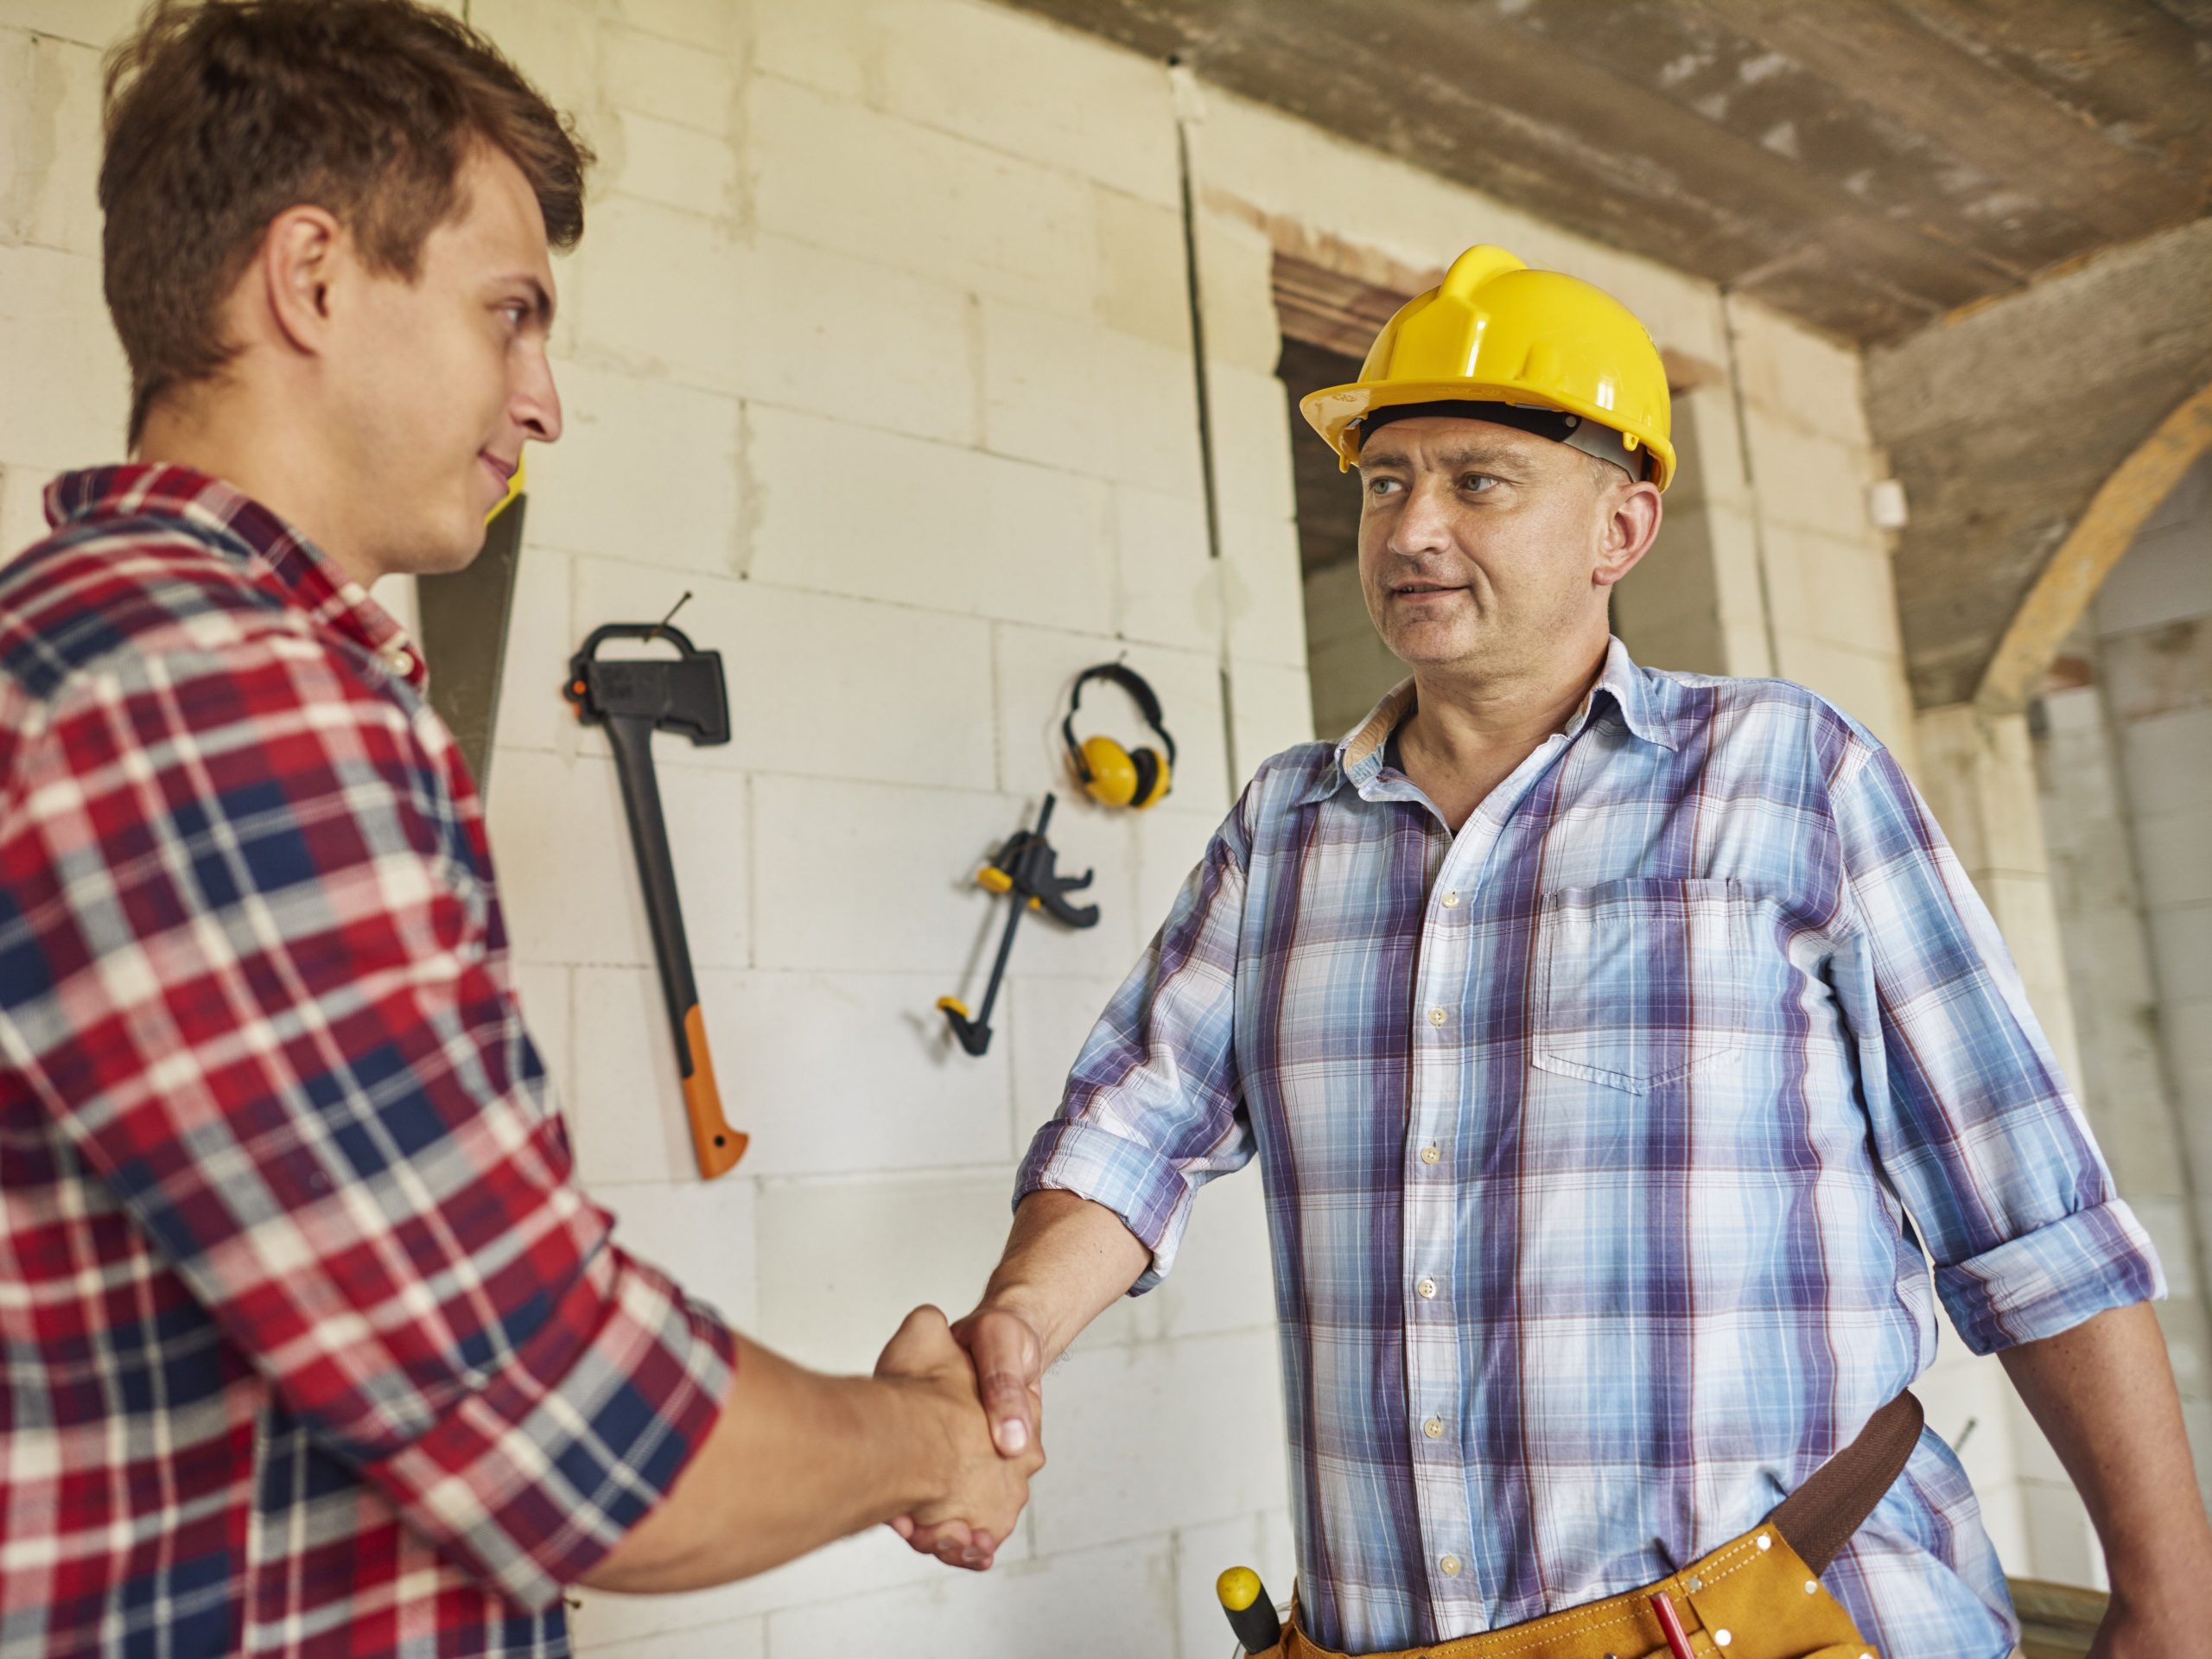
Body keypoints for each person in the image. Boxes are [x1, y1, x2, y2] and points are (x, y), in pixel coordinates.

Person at [907, 245, 2212, 1656]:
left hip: (1793, 1623)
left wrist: (2174, 1598)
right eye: (1385, 480)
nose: (1410, 531)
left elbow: (2031, 1219)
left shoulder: (1788, 774)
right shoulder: (1286, 828)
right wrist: (1019, 1332)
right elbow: (1132, 1130)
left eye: (1478, 482)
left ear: (1622, 530)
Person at [0, 4, 1035, 1654]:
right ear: (314, 278)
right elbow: (574, 1437)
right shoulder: (218, 692)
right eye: (510, 316)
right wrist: (932, 1444)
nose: (542, 403)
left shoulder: (116, 654)